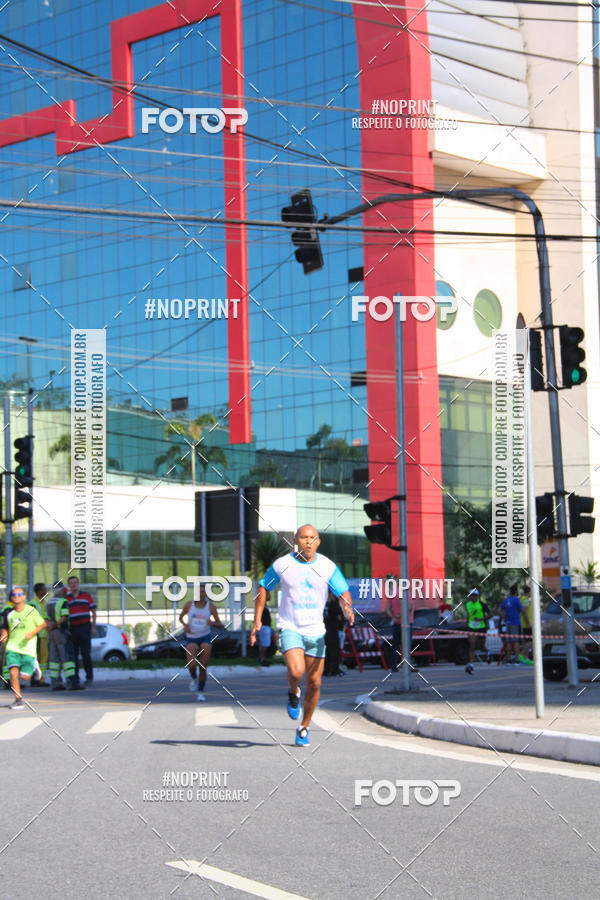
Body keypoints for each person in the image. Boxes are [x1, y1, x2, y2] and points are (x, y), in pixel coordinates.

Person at [250, 524, 354, 747]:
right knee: (296, 671)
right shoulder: (283, 564)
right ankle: (292, 690)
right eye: (303, 537)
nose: (308, 541)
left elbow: (342, 590)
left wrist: (347, 608)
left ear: (318, 542)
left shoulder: (327, 566)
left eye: (312, 538)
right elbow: (263, 587)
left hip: (316, 631)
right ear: (296, 540)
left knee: (315, 682)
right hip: (290, 627)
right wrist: (257, 618)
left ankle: (304, 727)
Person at [0, 586, 47, 710]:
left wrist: (32, 633)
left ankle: (34, 666)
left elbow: (43, 624)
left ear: (24, 597)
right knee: (13, 672)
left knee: (24, 677)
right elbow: (5, 627)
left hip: (28, 649)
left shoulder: (31, 610)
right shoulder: (9, 613)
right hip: (13, 647)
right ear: (11, 598)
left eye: (19, 594)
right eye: (14, 595)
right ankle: (18, 699)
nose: (17, 596)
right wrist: (4, 636)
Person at [178, 585, 223, 701]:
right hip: (192, 637)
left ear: (206, 594)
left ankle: (201, 692)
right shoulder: (189, 605)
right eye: (199, 592)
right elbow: (181, 617)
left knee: (203, 665)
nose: (201, 594)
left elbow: (220, 624)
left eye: (203, 592)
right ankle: (194, 678)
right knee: (192, 664)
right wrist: (185, 625)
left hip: (205, 637)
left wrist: (212, 623)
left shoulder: (211, 607)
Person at [65, 576, 96, 686]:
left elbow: (93, 612)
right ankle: (75, 678)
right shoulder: (66, 598)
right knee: (73, 655)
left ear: (78, 584)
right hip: (72, 629)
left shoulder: (86, 596)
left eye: (75, 582)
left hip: (85, 627)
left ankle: (89, 677)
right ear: (69, 585)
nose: (73, 585)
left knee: (86, 653)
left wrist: (93, 627)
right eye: (71, 583)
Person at [46, 582, 78, 690]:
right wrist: (56, 625)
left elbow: (46, 619)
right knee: (67, 658)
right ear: (60, 589)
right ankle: (72, 682)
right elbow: (64, 618)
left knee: (54, 659)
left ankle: (55, 683)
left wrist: (50, 627)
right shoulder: (63, 601)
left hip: (51, 633)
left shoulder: (49, 602)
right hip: (61, 632)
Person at [385, 591, 415, 671]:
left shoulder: (392, 594)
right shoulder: (407, 593)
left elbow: (387, 609)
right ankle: (408, 666)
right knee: (407, 645)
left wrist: (394, 616)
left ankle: (394, 665)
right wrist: (401, 615)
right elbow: (410, 606)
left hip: (396, 623)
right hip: (407, 623)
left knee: (395, 645)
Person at [465, 588, 489, 674]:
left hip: (481, 627)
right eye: (472, 596)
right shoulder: (467, 604)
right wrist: (467, 622)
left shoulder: (482, 605)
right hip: (471, 627)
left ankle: (488, 652)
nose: (473, 597)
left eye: (475, 596)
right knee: (472, 644)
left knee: (482, 647)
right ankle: (471, 664)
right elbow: (468, 614)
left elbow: (491, 615)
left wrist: (481, 619)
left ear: (478, 596)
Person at [30, 583, 50, 686]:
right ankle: (35, 680)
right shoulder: (33, 604)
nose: (46, 592)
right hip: (37, 635)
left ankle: (40, 679)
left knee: (43, 658)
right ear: (39, 592)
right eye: (44, 590)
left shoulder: (44, 603)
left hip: (44, 635)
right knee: (36, 658)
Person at [500, 585, 524, 665]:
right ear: (516, 592)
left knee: (509, 642)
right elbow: (522, 610)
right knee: (516, 641)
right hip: (516, 622)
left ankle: (509, 659)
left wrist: (504, 617)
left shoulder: (506, 600)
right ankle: (517, 660)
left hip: (508, 623)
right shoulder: (516, 600)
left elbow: (499, 610)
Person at [323, 592, 345, 676]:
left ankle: (326, 669)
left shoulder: (323, 605)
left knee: (327, 652)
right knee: (335, 651)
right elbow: (340, 617)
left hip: (324, 631)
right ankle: (334, 670)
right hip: (332, 630)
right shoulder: (333, 605)